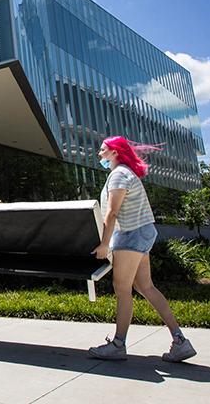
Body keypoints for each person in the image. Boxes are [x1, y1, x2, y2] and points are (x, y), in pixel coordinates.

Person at [88, 136, 196, 362]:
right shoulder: (126, 172)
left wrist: (105, 243)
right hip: (141, 233)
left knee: (122, 289)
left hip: (130, 234)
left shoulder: (119, 174)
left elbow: (112, 212)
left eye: (102, 150)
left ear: (115, 152)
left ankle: (118, 345)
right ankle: (180, 341)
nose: (99, 154)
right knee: (145, 286)